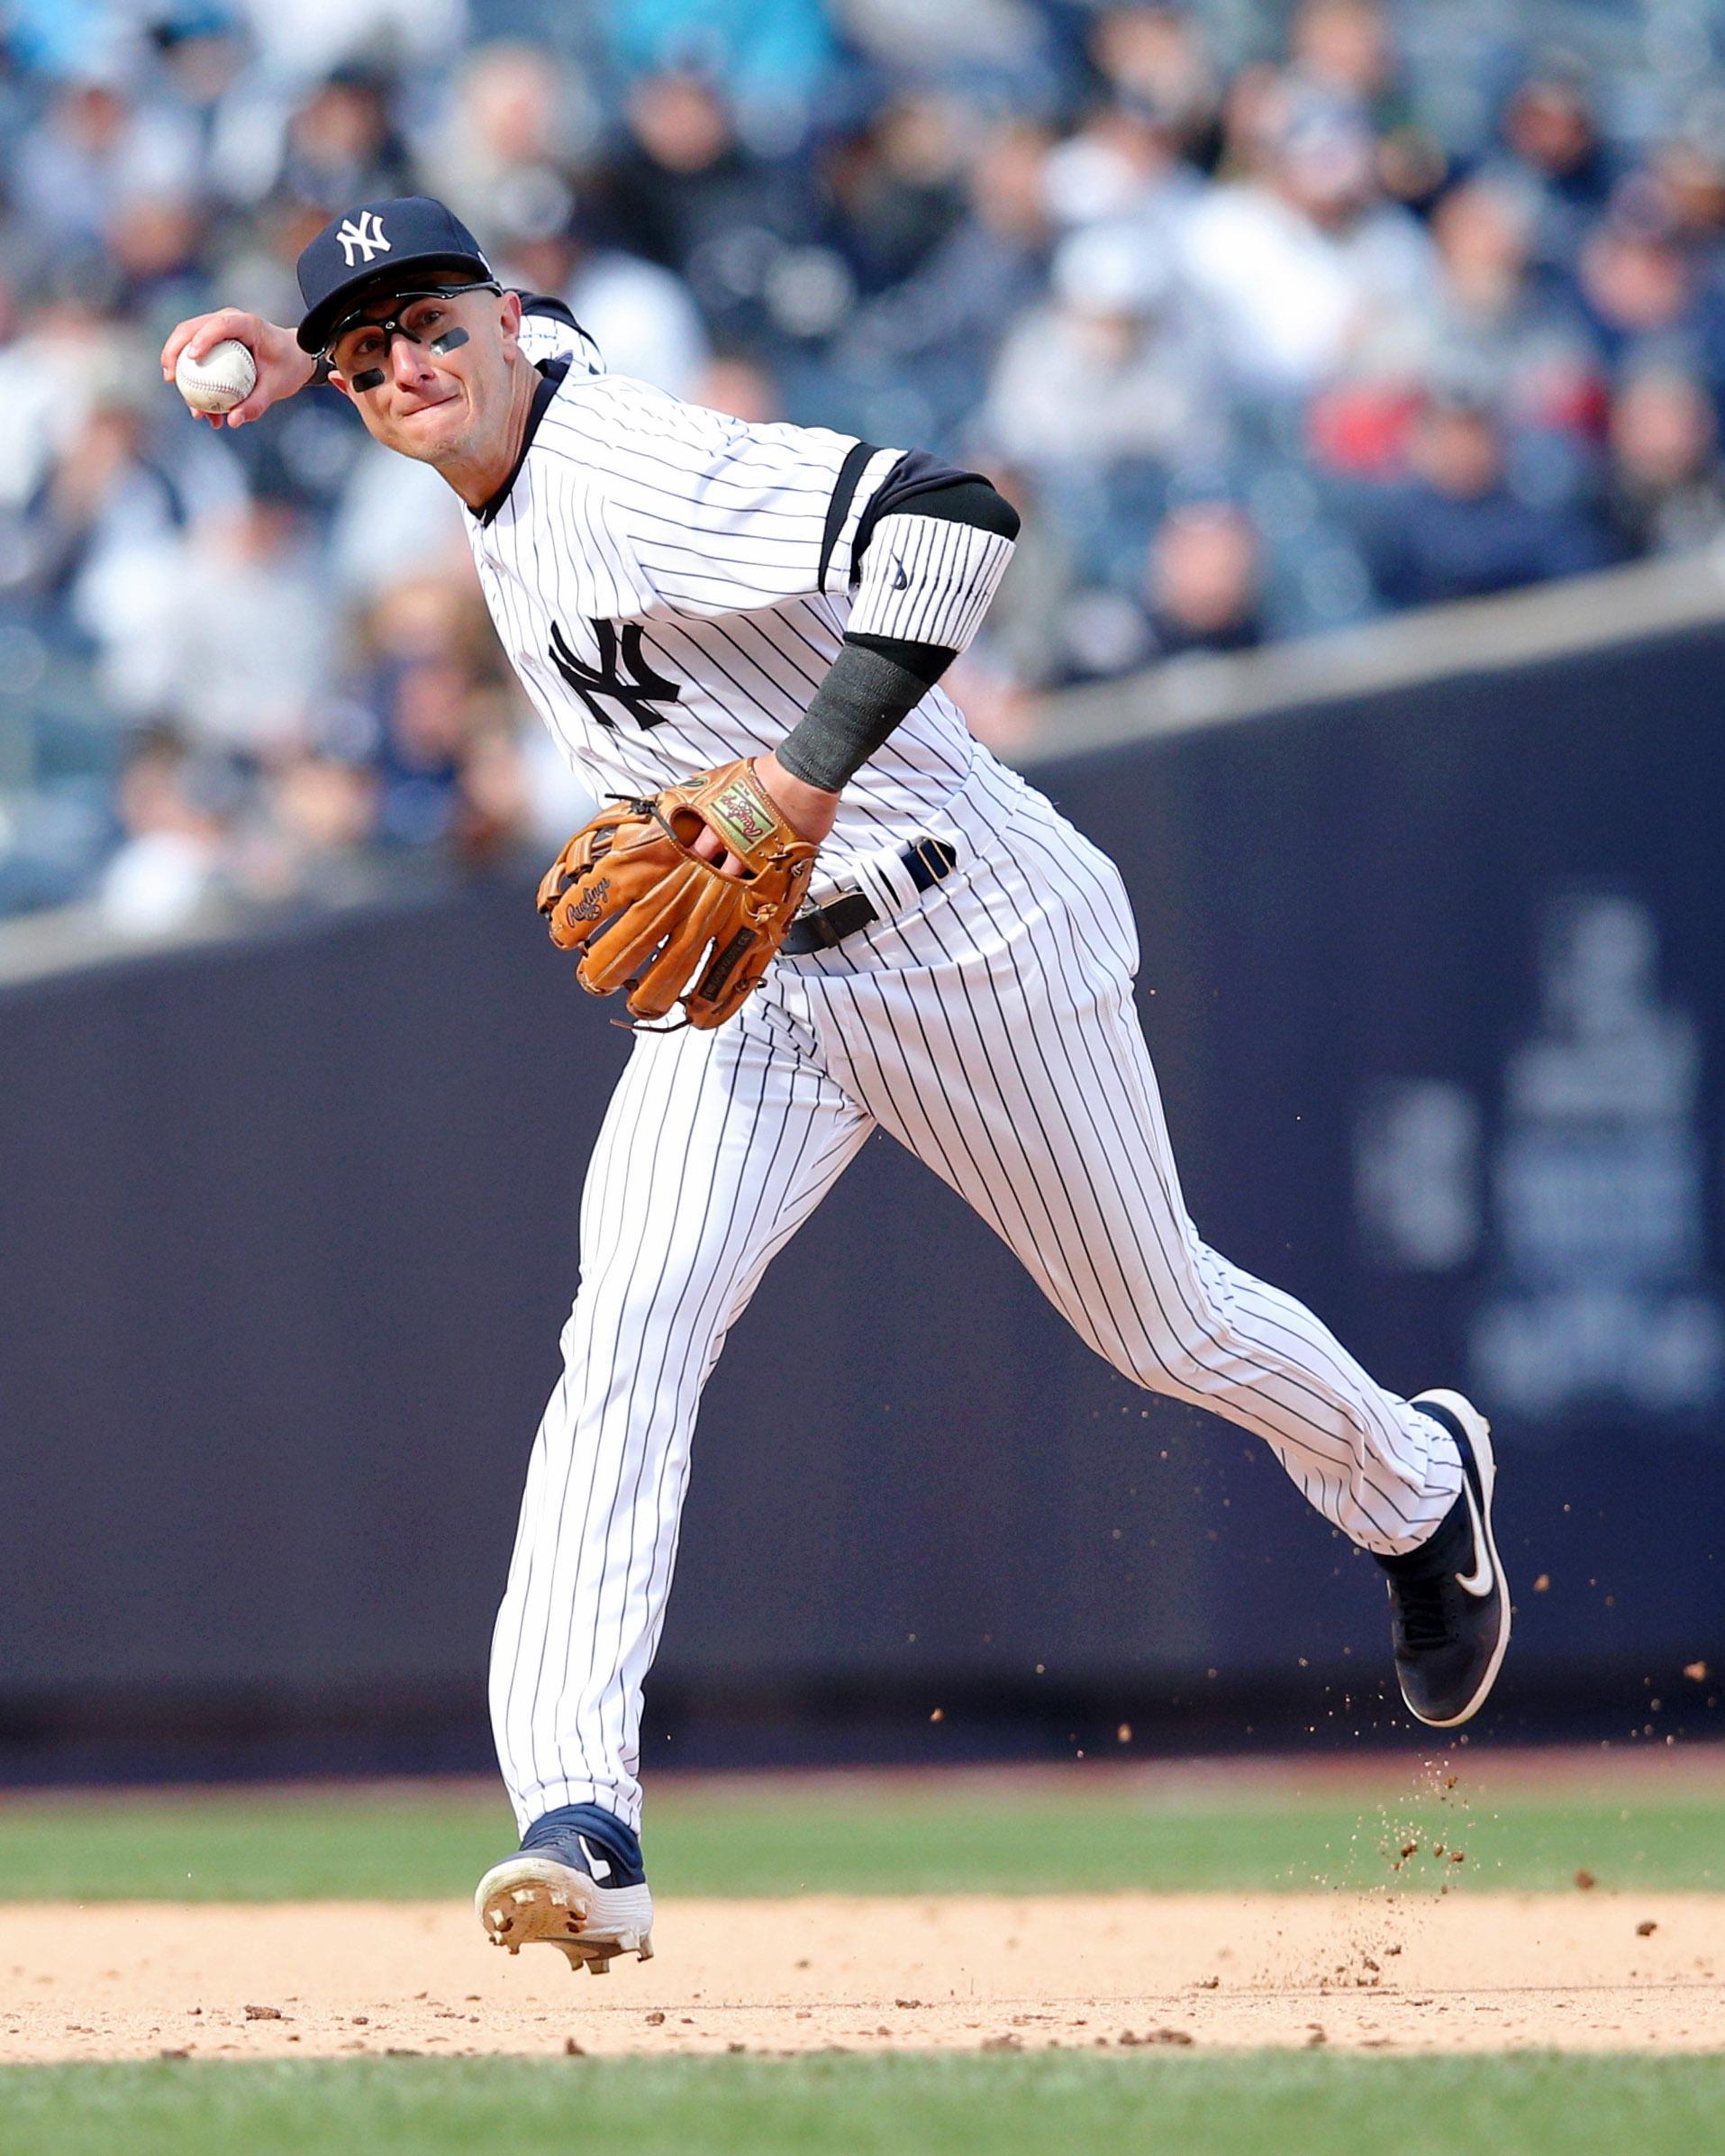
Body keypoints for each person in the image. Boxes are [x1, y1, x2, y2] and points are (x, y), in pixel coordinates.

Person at [163, 195, 1510, 1978]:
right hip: (751, 991)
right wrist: (292, 341)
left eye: (430, 324)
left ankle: (1414, 1485)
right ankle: (582, 1822)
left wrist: (796, 784)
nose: (408, 364)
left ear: (497, 319)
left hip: (965, 931)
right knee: (627, 1335)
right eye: (368, 351)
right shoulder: (499, 379)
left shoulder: (617, 468)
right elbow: (463, 337)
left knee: (1159, 1321)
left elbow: (955, 522)